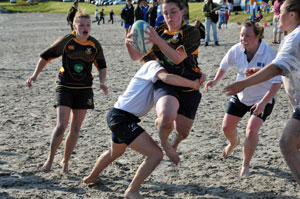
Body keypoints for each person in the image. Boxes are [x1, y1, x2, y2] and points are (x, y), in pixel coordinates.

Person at [83, 40, 205, 198]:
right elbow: (167, 78)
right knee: (156, 155)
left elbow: (183, 69)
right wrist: (193, 84)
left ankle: (91, 177)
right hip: (122, 118)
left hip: (118, 115)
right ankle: (132, 190)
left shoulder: (154, 66)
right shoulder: (152, 66)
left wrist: (200, 74)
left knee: (114, 152)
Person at [223, 0, 300, 183]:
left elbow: (276, 70)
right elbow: (289, 69)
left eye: (279, 11)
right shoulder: (293, 36)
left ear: (292, 15)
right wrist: (259, 73)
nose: (276, 14)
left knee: (287, 143)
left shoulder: (294, 37)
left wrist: (243, 84)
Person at [26, 10, 108, 174]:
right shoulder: (67, 41)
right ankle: (50, 159)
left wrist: (102, 82)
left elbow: (102, 65)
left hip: (84, 89)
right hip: (65, 86)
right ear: (74, 26)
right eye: (82, 25)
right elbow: (46, 56)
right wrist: (34, 75)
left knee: (76, 128)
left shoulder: (94, 44)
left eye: (88, 25)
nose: (85, 28)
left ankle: (65, 162)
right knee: (62, 125)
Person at [205, 20, 282, 176]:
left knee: (251, 130)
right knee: (226, 128)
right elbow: (224, 66)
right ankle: (233, 143)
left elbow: (277, 83)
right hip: (241, 95)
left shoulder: (269, 54)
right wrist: (215, 80)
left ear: (258, 36)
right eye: (241, 35)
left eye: (248, 35)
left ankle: (245, 165)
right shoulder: (237, 50)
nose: (243, 39)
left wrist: (263, 103)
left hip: (262, 98)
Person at [133, 0, 203, 164]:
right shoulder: (157, 32)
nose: (169, 16)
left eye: (173, 12)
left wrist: (158, 41)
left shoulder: (192, 32)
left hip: (189, 83)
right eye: (165, 13)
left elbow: (178, 59)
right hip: (166, 82)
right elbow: (141, 58)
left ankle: (174, 142)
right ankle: (165, 143)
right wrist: (131, 44)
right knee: (166, 117)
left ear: (182, 11)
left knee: (183, 132)